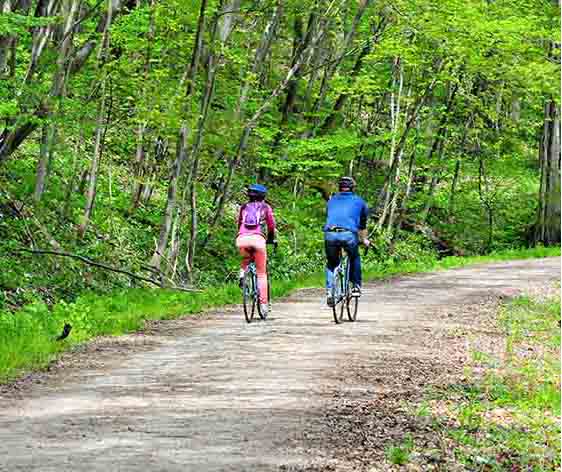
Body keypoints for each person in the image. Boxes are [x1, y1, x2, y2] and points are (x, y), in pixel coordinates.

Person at [323, 176, 370, 306]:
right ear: (353, 188)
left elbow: (330, 216)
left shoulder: (331, 201)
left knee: (331, 263)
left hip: (330, 234)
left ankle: (330, 290)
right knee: (354, 257)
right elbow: (362, 225)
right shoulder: (359, 202)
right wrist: (364, 240)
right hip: (349, 235)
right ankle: (355, 286)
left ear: (340, 188)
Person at [236, 184, 277, 316]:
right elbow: (271, 226)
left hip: (242, 239)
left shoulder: (243, 207)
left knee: (246, 258)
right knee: (261, 273)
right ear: (263, 196)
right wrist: (271, 239)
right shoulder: (266, 207)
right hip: (258, 240)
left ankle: (242, 274)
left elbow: (239, 224)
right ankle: (264, 304)